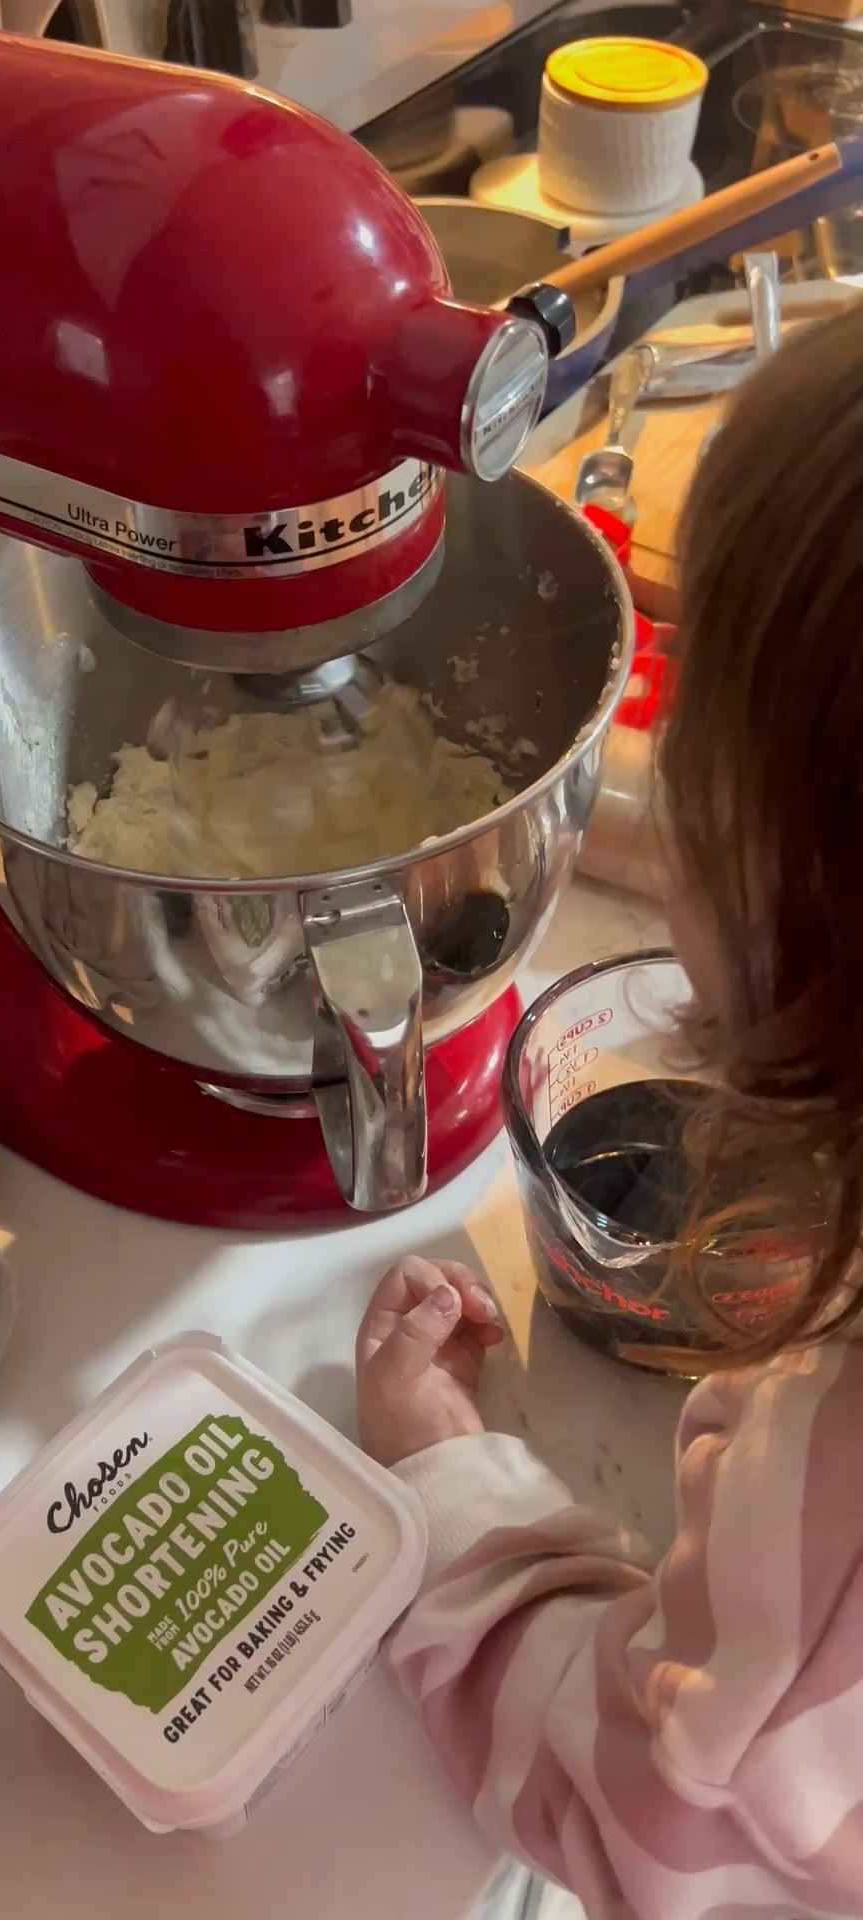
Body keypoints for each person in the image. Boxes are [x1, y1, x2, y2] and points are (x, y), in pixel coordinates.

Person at [355, 301, 863, 1920]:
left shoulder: (821, 1504)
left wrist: (453, 1487)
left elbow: (625, 1812)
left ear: (797, 887)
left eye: (689, 696)